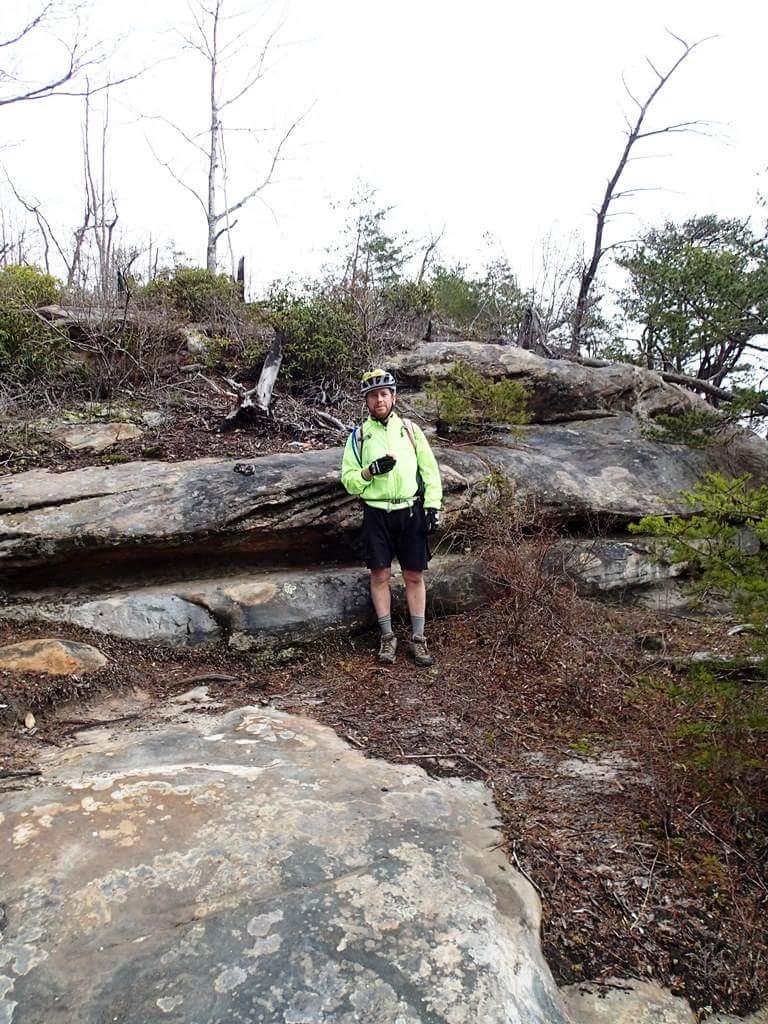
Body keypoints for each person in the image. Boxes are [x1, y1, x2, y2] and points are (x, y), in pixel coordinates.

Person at [341, 368, 443, 667]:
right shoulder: (359, 437)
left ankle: (419, 639)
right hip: (376, 513)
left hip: (409, 511)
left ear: (393, 397)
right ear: (366, 401)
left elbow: (429, 471)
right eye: (373, 395)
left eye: (384, 394)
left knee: (414, 575)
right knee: (380, 575)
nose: (379, 400)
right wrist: (368, 472)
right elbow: (348, 480)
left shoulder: (410, 430)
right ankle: (387, 638)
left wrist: (432, 507)